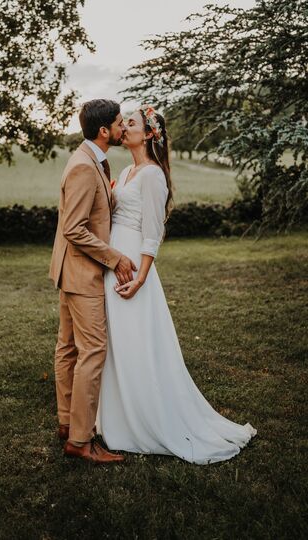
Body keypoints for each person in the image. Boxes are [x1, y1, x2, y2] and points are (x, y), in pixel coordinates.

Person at [96, 106, 257, 464]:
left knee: (138, 344)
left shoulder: (152, 176)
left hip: (134, 269)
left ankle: (148, 420)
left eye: (132, 123)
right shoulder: (124, 172)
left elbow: (154, 233)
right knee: (118, 345)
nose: (124, 127)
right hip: (113, 263)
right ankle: (118, 419)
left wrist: (140, 278)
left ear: (150, 134)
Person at [49, 99, 137, 464]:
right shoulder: (85, 167)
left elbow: (89, 212)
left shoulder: (90, 160)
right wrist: (115, 258)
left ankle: (68, 423)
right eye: (118, 123)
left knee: (68, 347)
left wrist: (110, 197)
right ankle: (82, 441)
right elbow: (74, 228)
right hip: (82, 274)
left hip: (68, 271)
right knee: (92, 351)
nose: (121, 128)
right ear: (104, 131)